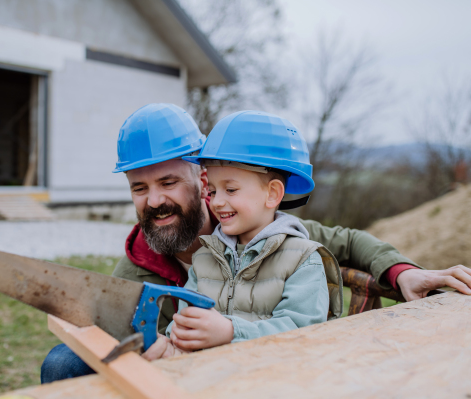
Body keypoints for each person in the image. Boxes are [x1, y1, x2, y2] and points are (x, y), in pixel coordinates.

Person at [41, 103, 471, 382]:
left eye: (169, 181)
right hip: (191, 373)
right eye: (139, 188)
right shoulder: (138, 263)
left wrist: (403, 273)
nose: (154, 200)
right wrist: (154, 346)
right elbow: (131, 336)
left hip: (265, 369)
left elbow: (347, 243)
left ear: (201, 178)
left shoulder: (262, 231)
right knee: (62, 362)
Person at [153, 110, 342, 357]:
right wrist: (171, 344)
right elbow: (186, 323)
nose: (217, 202)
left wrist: (232, 332)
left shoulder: (302, 260)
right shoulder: (205, 258)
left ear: (273, 194)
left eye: (230, 189)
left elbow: (302, 333)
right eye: (212, 191)